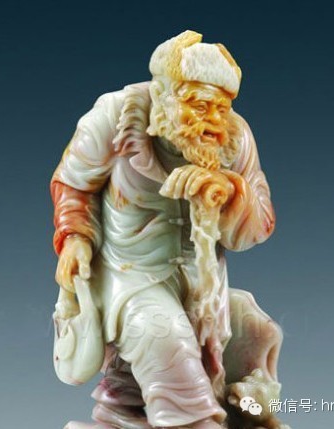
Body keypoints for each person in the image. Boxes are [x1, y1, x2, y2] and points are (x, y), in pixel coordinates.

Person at [51, 30, 285, 429]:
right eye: (199, 106)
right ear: (163, 97)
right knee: (165, 335)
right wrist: (75, 238)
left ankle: (148, 411)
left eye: (221, 108)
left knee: (255, 331)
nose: (213, 121)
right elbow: (73, 184)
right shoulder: (115, 117)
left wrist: (230, 191)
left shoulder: (234, 137)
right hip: (126, 275)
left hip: (203, 282)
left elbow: (259, 224)